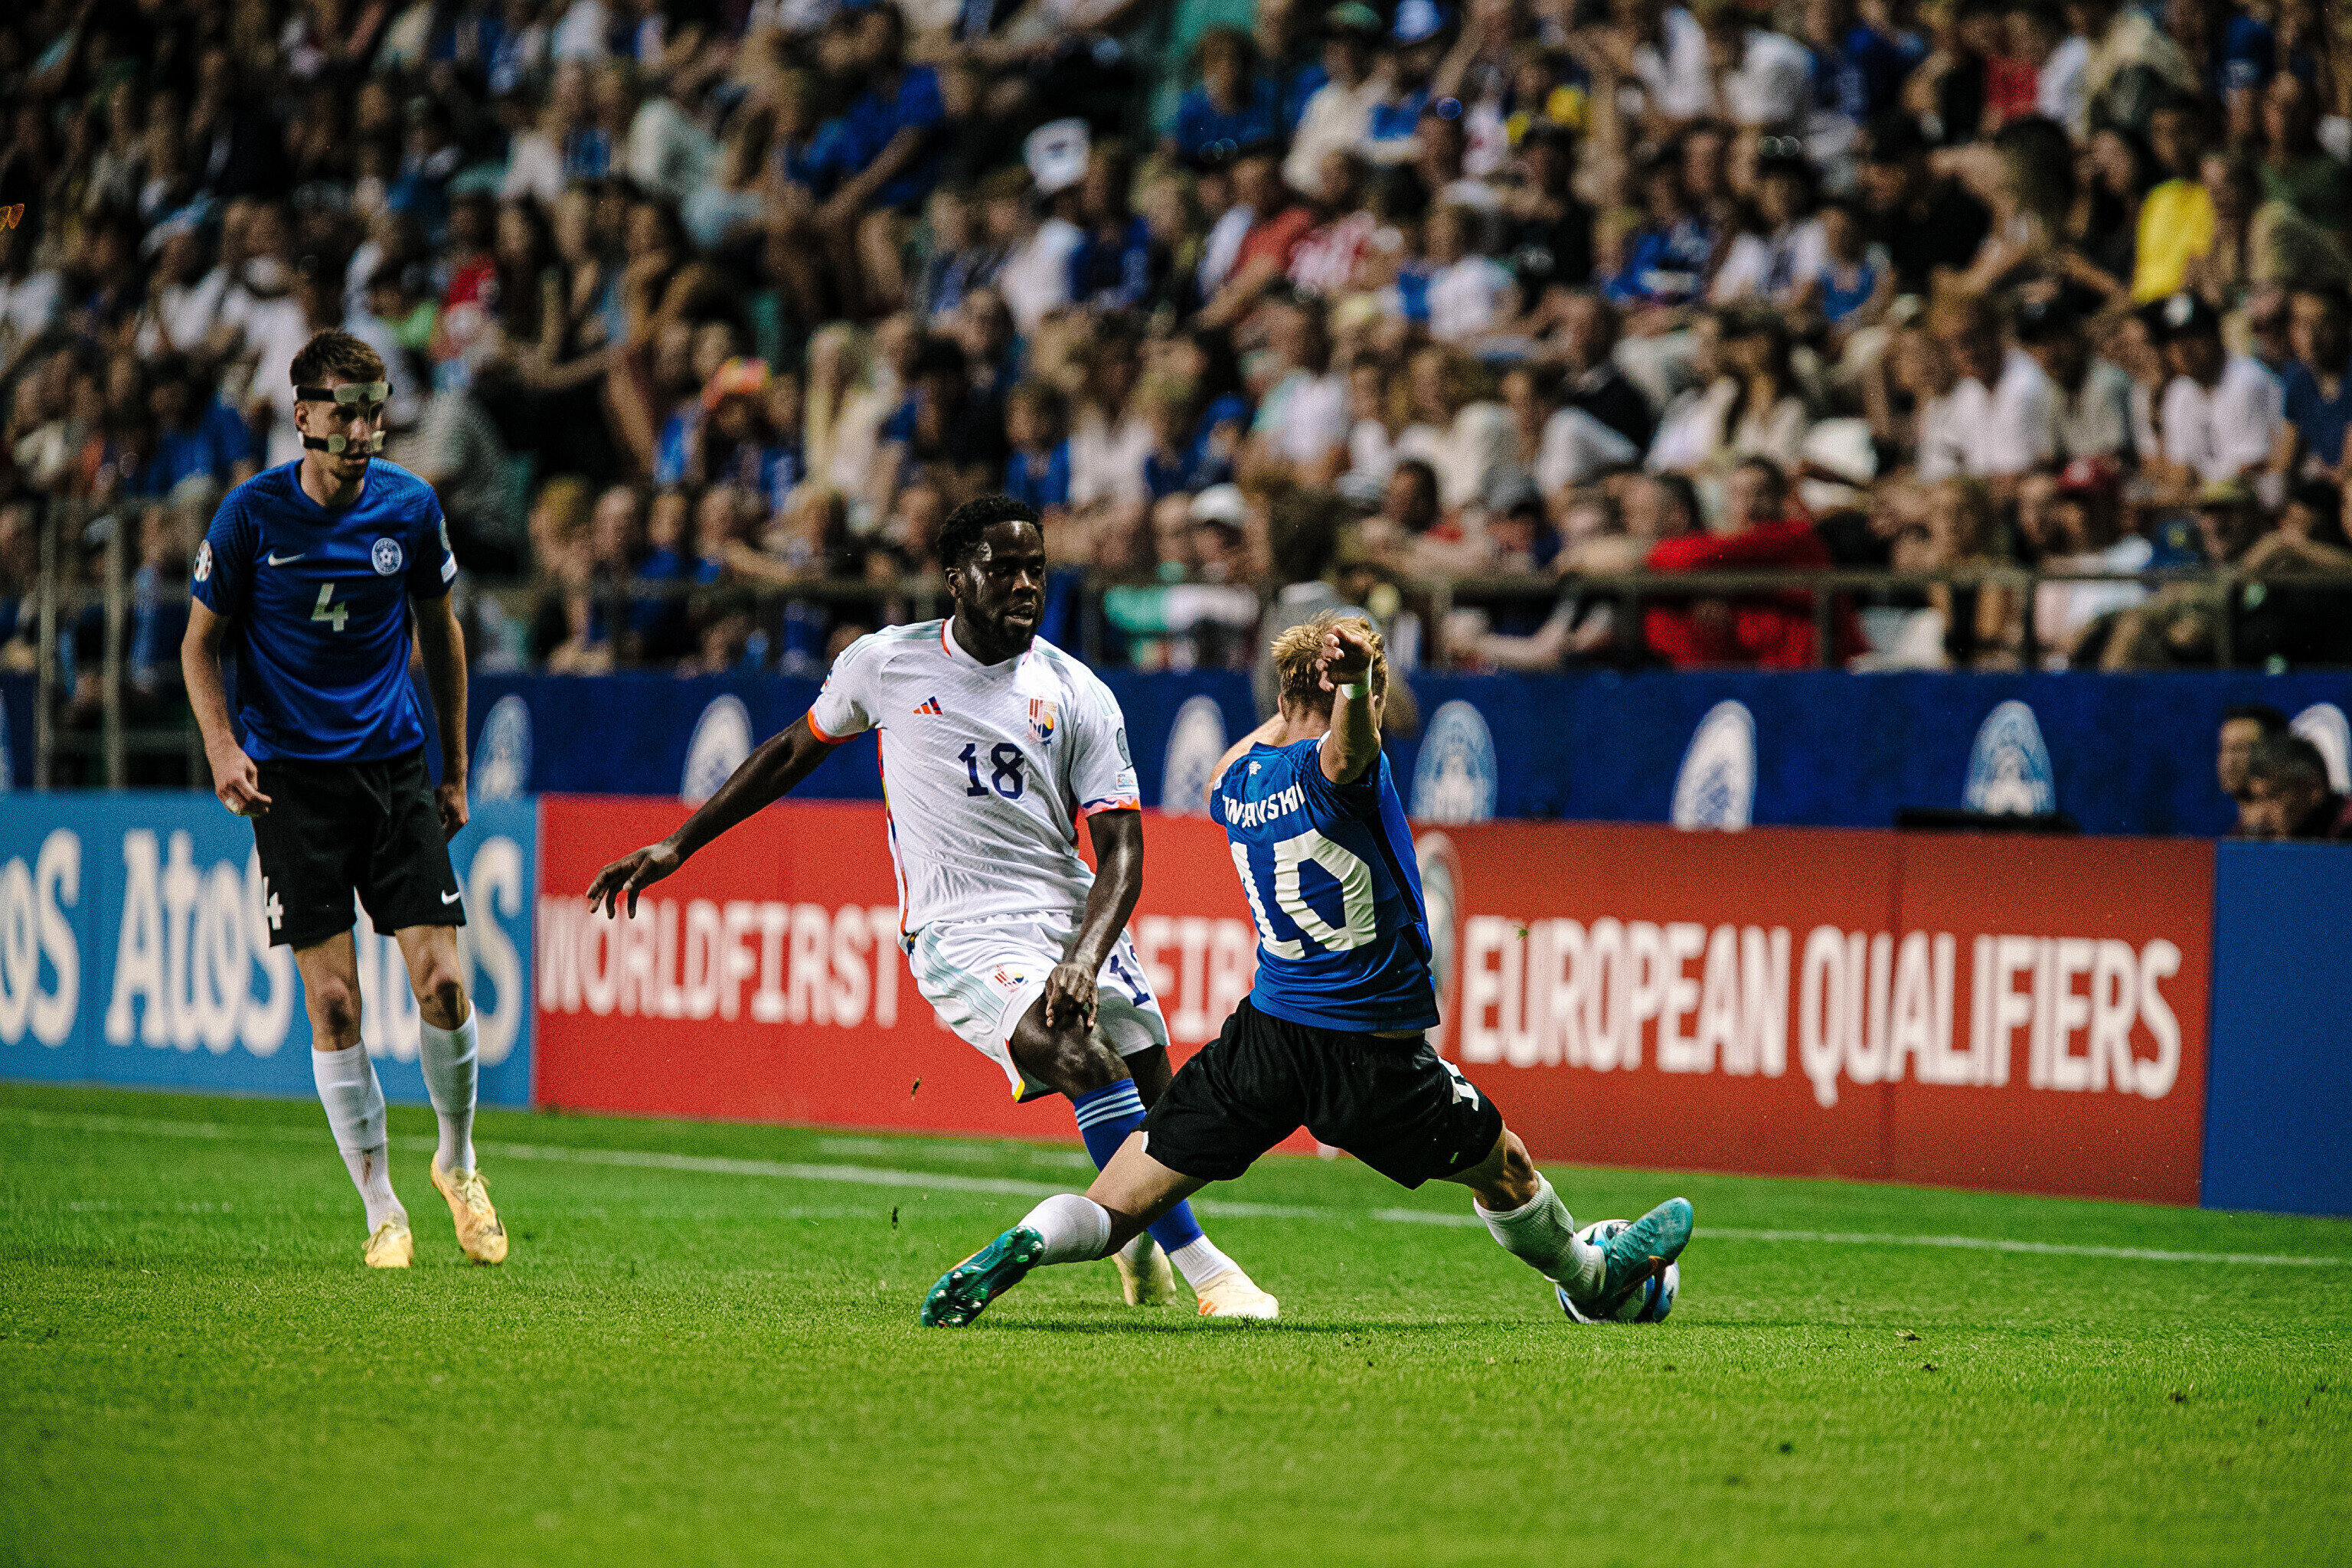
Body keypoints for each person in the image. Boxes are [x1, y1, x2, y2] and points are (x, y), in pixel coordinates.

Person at [585, 495, 1276, 1318]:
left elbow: (1122, 851)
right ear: (955, 579)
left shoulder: (1077, 691)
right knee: (1080, 1056)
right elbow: (792, 750)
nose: (1025, 585)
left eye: (1036, 570)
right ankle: (1212, 1275)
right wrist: (678, 844)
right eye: (1003, 568)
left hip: (1067, 915)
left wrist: (1083, 958)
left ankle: (1129, 1240)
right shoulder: (888, 663)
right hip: (961, 926)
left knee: (1161, 1101)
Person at [919, 611, 1694, 1328]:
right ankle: (1593, 1280)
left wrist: (1304, 687)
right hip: (1373, 1058)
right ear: (1358, 698)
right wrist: (1356, 684)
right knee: (1508, 1169)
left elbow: (1259, 749)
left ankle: (1030, 1239)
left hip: (1264, 1045)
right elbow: (1348, 752)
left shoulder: (1236, 781)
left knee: (1118, 1206)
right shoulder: (1340, 776)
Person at [179, 329, 502, 1272]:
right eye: (344, 412)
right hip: (291, 783)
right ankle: (382, 1207)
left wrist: (454, 766)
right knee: (333, 1002)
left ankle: (458, 1162)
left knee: (443, 985)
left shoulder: (411, 507)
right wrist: (222, 747)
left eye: (374, 411)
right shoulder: (251, 517)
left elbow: (441, 634)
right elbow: (199, 644)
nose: (362, 430)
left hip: (395, 770)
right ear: (303, 416)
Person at [2238, 731, 2352, 840]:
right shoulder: (2254, 831)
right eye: (2256, 799)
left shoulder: (2347, 826)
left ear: (2312, 788)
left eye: (2273, 796)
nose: (2262, 815)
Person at [2216, 702, 2289, 831]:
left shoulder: (2292, 834)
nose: (2229, 761)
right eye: (2224, 749)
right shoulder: (2236, 835)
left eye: (2241, 749)